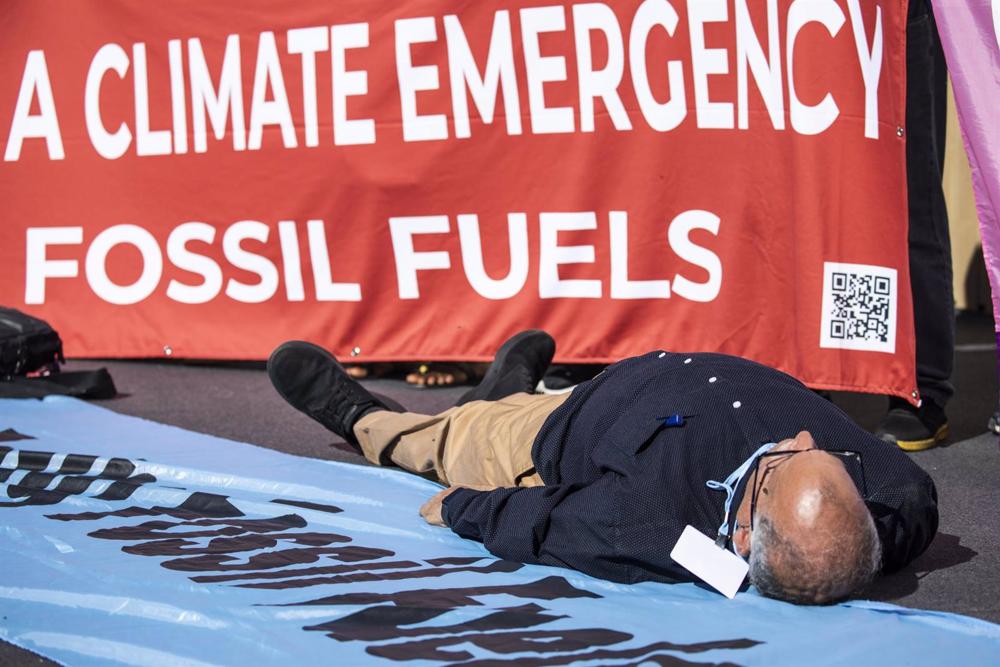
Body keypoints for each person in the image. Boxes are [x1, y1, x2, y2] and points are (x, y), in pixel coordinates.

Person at [268, 331, 939, 606]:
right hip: (633, 382)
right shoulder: (891, 496)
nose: (798, 432)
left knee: (453, 436)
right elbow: (887, 519)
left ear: (739, 539)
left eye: (778, 463)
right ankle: (509, 387)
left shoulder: (653, 523)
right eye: (820, 455)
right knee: (499, 407)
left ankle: (359, 416)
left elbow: (551, 520)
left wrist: (463, 507)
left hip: (554, 435)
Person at [876, 0, 954, 451]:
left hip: (899, 16)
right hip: (810, 20)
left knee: (908, 195)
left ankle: (921, 389)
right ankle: (808, 381)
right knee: (809, 199)